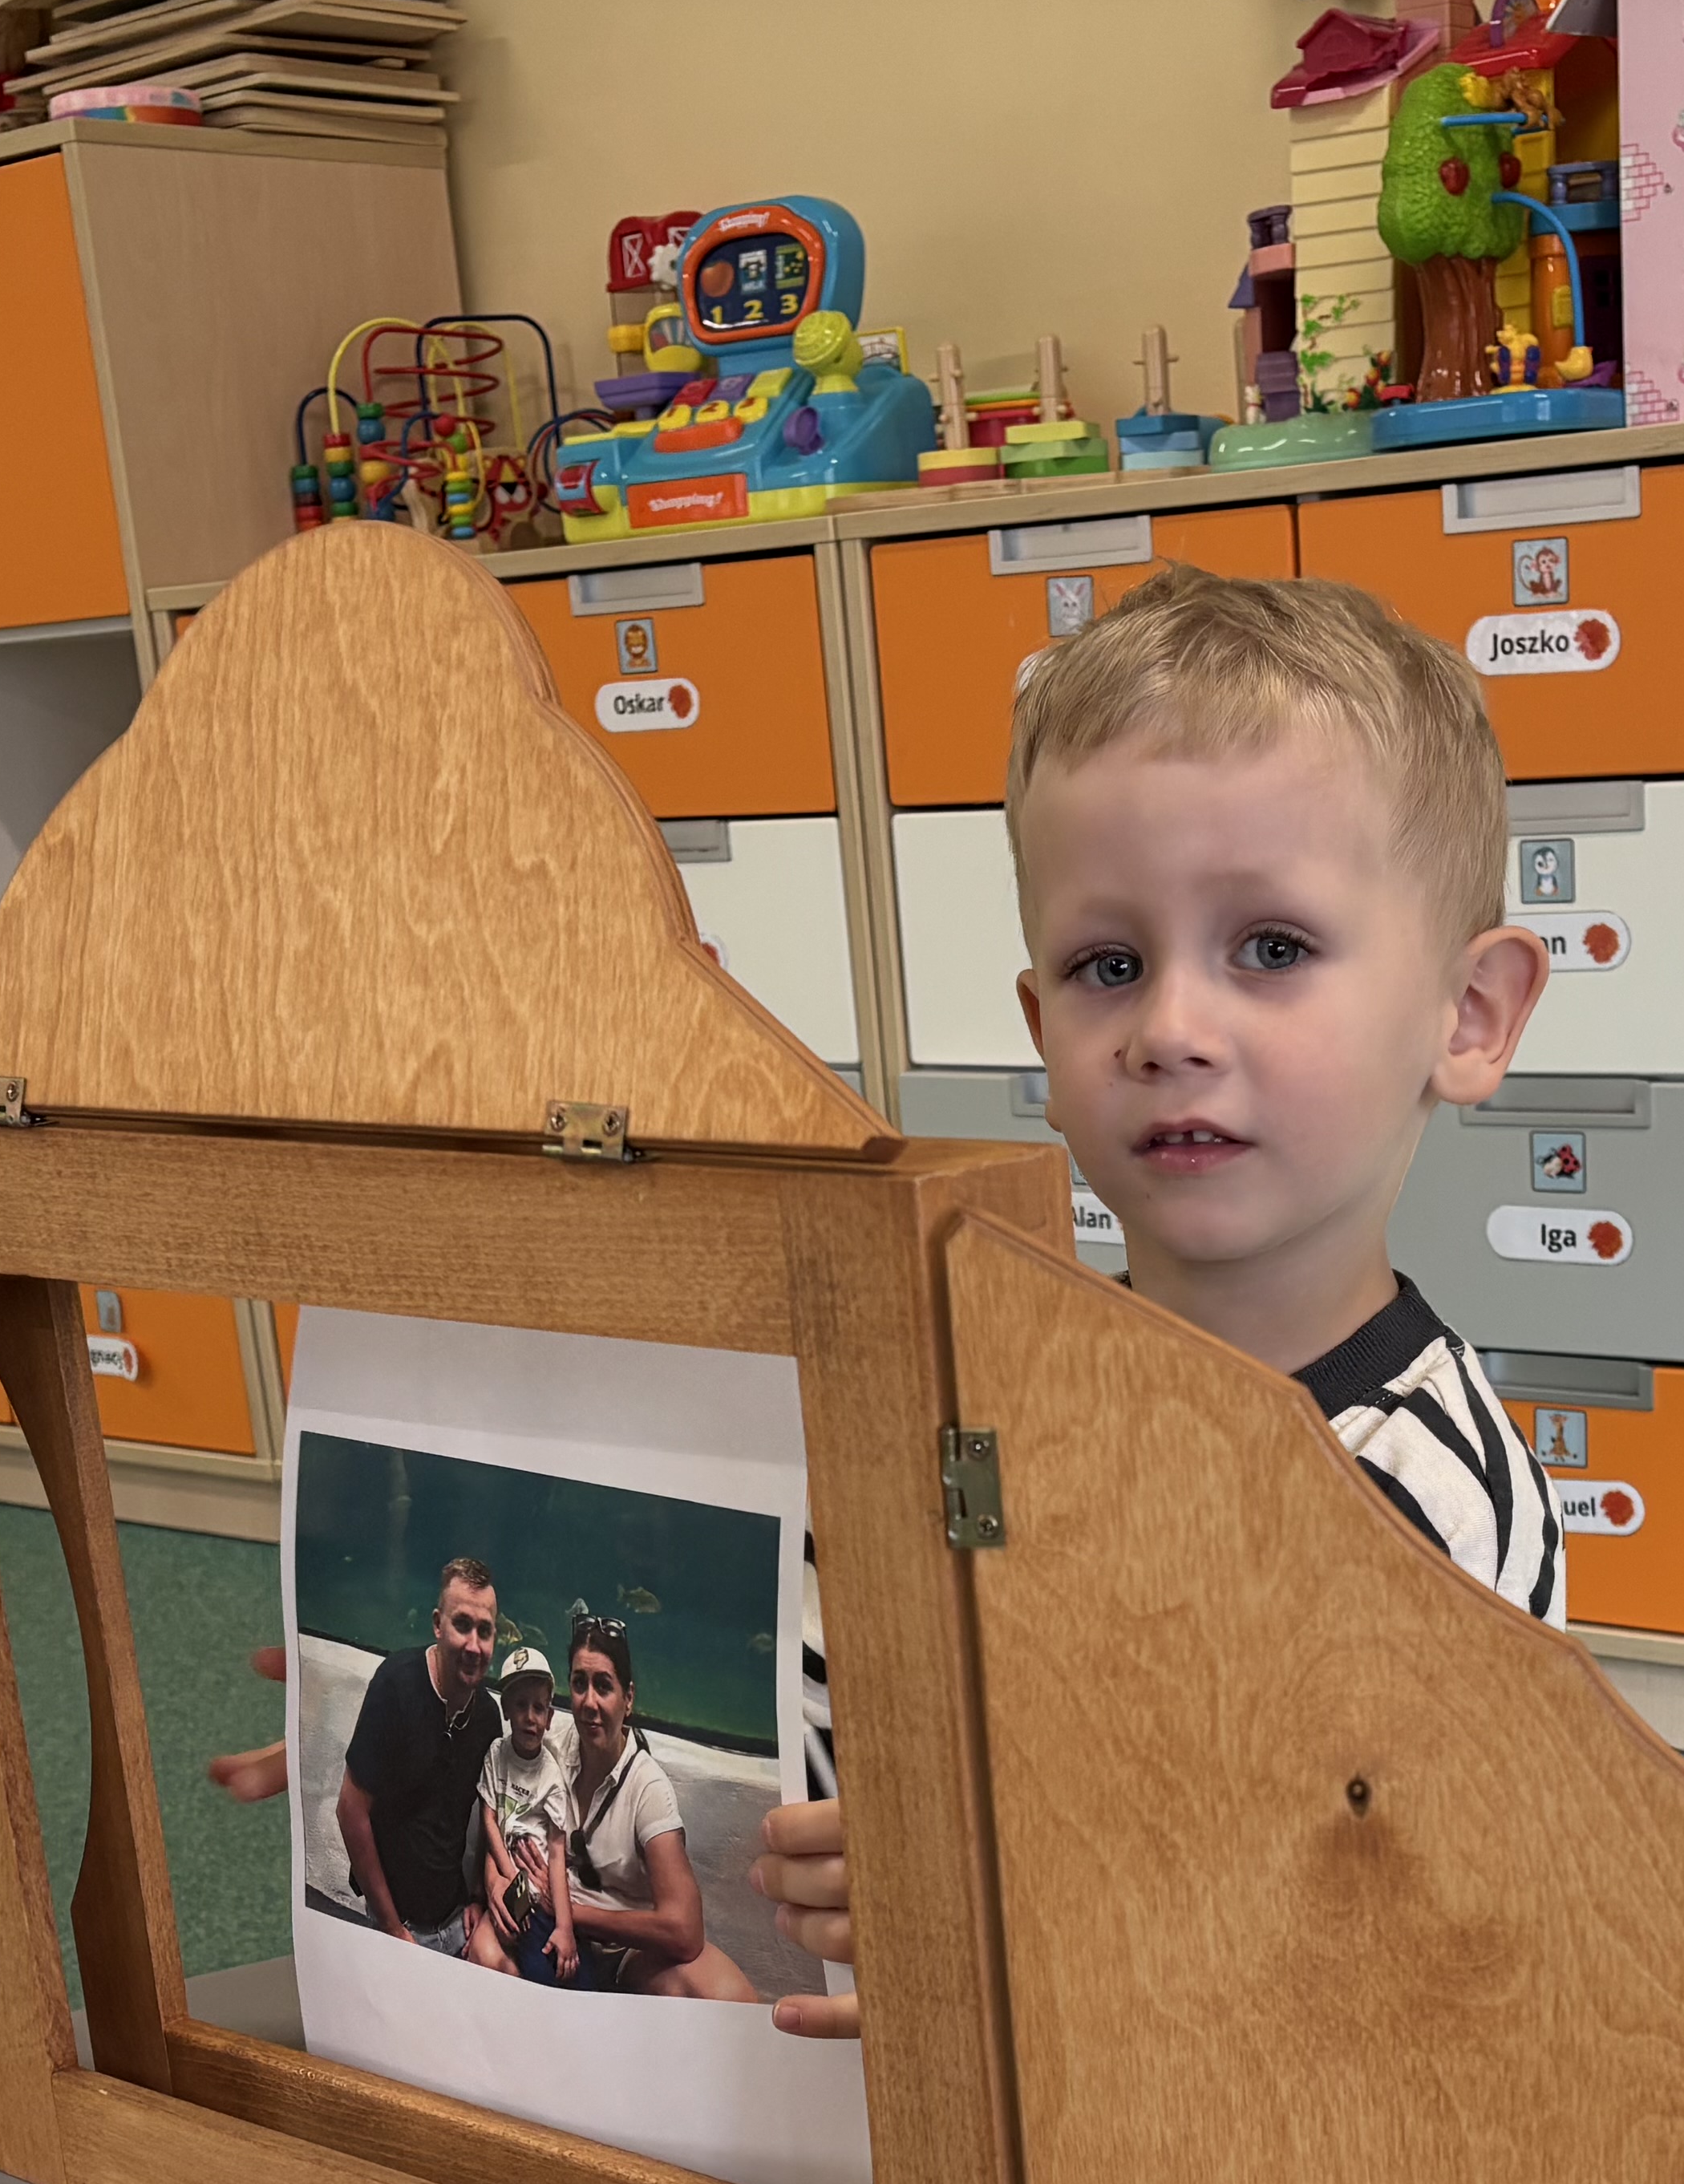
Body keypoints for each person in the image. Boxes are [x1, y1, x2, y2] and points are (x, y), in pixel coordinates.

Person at [751, 565, 1569, 2035]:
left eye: (1272, 949)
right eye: (1108, 965)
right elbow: (820, 1719)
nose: (1169, 1029)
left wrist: (995, 1917)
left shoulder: (1427, 1493)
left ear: (1468, 1015)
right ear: (1040, 1028)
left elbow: (1405, 1967)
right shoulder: (979, 1408)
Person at [555, 1616, 758, 2000]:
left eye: (604, 1686)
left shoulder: (648, 1787)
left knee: (731, 1997)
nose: (589, 1702)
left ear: (628, 1698)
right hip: (550, 1930)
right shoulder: (552, 1746)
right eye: (580, 1683)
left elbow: (685, 1931)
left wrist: (574, 1913)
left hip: (621, 1951)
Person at [322, 1556, 504, 1955]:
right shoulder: (396, 1685)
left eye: (485, 1630)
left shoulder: (489, 1717)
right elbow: (350, 1810)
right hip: (393, 1925)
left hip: (456, 1922)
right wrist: (390, 1926)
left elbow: (489, 1815)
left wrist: (477, 1897)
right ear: (438, 1624)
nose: (474, 1645)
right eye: (462, 1625)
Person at [463, 1642, 581, 1985]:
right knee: (481, 1957)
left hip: (538, 1898)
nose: (530, 1717)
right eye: (520, 1705)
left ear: (549, 1717)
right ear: (506, 1709)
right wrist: (510, 1874)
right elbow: (489, 1819)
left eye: (539, 1708)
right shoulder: (496, 1755)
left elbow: (557, 1852)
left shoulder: (551, 1777)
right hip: (509, 1884)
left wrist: (565, 1926)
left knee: (545, 1975)